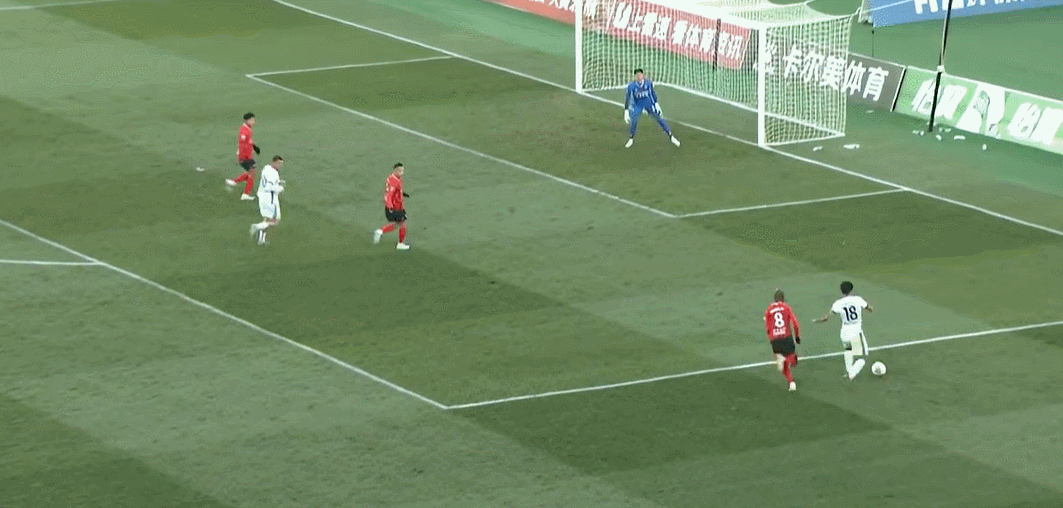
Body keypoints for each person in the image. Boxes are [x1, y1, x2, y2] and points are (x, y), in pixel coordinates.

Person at [814, 281, 873, 380]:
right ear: (851, 290)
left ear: (841, 291)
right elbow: (869, 308)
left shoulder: (838, 303)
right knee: (862, 357)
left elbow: (826, 317)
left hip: (844, 331)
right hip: (855, 331)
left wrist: (818, 320)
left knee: (848, 350)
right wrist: (870, 308)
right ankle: (852, 373)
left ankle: (848, 372)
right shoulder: (858, 300)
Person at [624, 69, 680, 148]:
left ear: (643, 75)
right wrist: (626, 110)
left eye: (640, 75)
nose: (639, 77)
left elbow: (652, 94)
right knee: (634, 120)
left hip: (647, 102)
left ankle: (671, 136)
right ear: (635, 77)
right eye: (637, 75)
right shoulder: (631, 86)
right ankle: (631, 138)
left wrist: (656, 104)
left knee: (658, 118)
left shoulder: (648, 83)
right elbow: (628, 98)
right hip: (638, 104)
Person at [765, 289, 801, 391]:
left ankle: (791, 382)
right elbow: (795, 324)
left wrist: (771, 340)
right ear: (783, 299)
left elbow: (768, 328)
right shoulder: (786, 307)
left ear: (774, 299)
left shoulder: (769, 310)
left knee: (783, 366)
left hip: (775, 340)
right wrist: (797, 337)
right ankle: (791, 360)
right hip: (786, 338)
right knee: (792, 360)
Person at [373, 163, 411, 251]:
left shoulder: (391, 178)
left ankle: (380, 231)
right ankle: (399, 243)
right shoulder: (395, 181)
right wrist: (390, 207)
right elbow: (390, 194)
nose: (402, 173)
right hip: (396, 207)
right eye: (400, 171)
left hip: (395, 206)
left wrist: (402, 194)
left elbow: (392, 190)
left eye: (402, 171)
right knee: (402, 224)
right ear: (395, 170)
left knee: (398, 224)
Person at [225, 112, 261, 201]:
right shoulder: (244, 131)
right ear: (247, 120)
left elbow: (248, 141)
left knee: (252, 171)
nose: (253, 122)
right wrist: (244, 157)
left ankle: (234, 182)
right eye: (252, 120)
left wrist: (254, 147)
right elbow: (242, 144)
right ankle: (245, 194)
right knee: (252, 173)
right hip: (244, 156)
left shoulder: (248, 129)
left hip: (247, 156)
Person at [249, 156, 284, 245]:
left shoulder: (266, 168)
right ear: (274, 162)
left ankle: (261, 239)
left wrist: (277, 182)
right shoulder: (273, 173)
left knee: (266, 218)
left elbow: (267, 181)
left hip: (262, 195)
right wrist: (279, 188)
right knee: (275, 220)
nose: (280, 165)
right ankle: (257, 227)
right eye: (279, 163)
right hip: (270, 198)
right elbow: (270, 187)